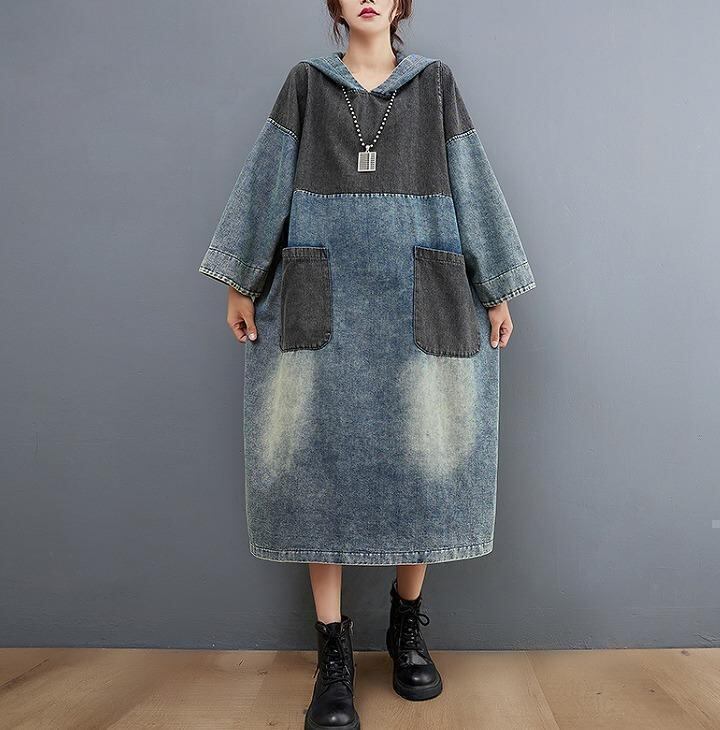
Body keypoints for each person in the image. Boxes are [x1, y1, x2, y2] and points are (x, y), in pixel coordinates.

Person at [198, 1, 536, 727]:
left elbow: (472, 180)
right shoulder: (306, 84)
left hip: (422, 297)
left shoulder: (435, 84)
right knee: (316, 465)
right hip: (324, 296)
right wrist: (240, 281)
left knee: (427, 457)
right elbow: (266, 179)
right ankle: (333, 652)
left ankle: (406, 626)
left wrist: (497, 286)